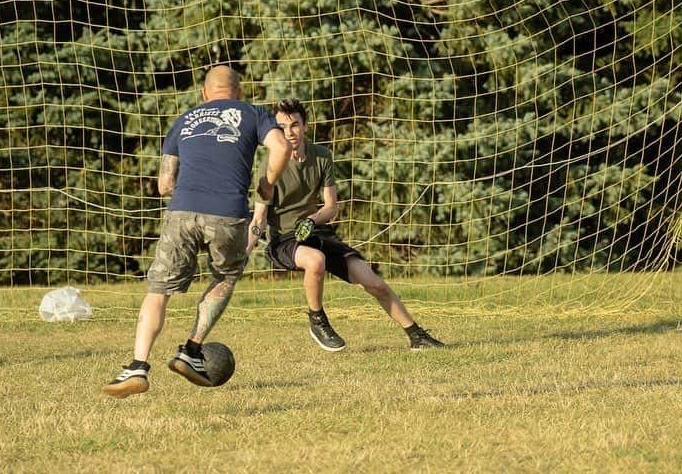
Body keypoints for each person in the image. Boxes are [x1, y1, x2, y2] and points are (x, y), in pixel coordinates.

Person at [103, 65, 290, 399]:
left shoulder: (184, 120)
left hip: (182, 211)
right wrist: (266, 185)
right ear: (240, 91)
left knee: (158, 289)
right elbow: (281, 147)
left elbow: (164, 184)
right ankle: (191, 350)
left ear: (205, 94)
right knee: (226, 276)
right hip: (228, 212)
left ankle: (137, 366)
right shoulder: (253, 113)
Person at [248, 97, 444, 352]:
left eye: (294, 125)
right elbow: (259, 218)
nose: (289, 132)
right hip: (285, 240)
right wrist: (245, 250)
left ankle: (417, 336)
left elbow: (331, 207)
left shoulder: (322, 156)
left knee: (374, 283)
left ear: (305, 126)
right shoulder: (268, 165)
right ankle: (318, 321)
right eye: (282, 127)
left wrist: (312, 219)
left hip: (317, 232)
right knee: (315, 261)